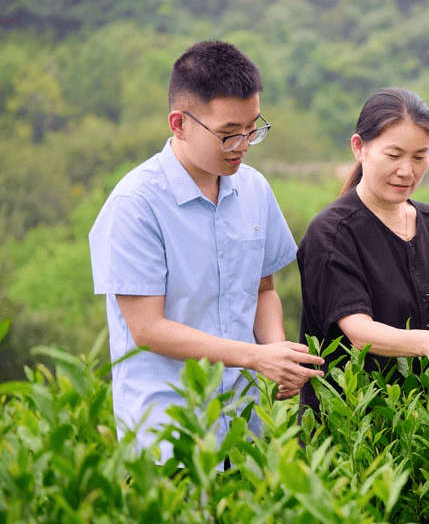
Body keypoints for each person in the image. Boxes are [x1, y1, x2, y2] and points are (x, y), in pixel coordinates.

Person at [89, 40, 324, 462]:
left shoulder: (254, 190)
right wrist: (257, 357)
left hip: (244, 424)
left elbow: (263, 289)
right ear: (179, 123)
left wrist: (277, 353)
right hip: (167, 434)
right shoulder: (136, 205)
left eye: (253, 128)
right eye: (229, 134)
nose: (244, 145)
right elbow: (147, 329)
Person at [296, 88, 429, 418]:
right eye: (393, 155)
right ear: (359, 148)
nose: (407, 171)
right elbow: (359, 331)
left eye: (419, 156)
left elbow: (409, 308)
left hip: (424, 430)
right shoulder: (332, 232)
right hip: (351, 427)